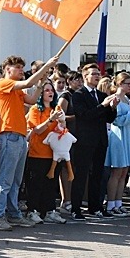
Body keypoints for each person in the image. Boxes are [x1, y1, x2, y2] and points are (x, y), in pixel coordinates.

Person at [0, 55, 57, 231]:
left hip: (20, 136)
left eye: (22, 67)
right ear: (7, 70)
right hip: (9, 135)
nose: (21, 70)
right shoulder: (4, 83)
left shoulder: (17, 89)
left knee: (16, 181)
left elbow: (32, 99)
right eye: (17, 67)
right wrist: (46, 68)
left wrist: (42, 83)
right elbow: (28, 84)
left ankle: (13, 214)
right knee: (6, 179)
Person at [70, 63, 118, 221]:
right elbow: (84, 115)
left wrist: (112, 108)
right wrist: (102, 106)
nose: (97, 76)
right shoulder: (78, 94)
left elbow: (109, 119)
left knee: (98, 174)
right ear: (85, 76)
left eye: (98, 74)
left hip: (100, 139)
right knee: (81, 174)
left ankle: (95, 206)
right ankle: (76, 208)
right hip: (85, 140)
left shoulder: (102, 95)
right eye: (94, 74)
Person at [25, 81, 67, 226]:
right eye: (46, 90)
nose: (50, 93)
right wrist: (51, 120)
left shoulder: (57, 108)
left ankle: (49, 211)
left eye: (51, 90)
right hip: (38, 153)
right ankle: (33, 211)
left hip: (54, 153)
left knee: (51, 184)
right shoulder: (35, 109)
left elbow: (63, 130)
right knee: (36, 183)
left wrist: (62, 122)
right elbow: (37, 130)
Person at [104, 73, 130, 217]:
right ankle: (110, 204)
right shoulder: (114, 99)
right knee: (116, 172)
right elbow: (116, 121)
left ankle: (118, 203)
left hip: (127, 136)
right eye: (128, 84)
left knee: (123, 172)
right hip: (118, 137)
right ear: (120, 84)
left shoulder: (126, 99)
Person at [56, 70, 82, 214]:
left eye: (80, 80)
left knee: (75, 168)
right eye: (75, 80)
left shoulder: (81, 95)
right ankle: (66, 200)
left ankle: (73, 198)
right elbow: (61, 116)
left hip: (79, 135)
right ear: (69, 82)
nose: (79, 83)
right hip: (67, 136)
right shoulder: (66, 96)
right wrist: (77, 116)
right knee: (66, 169)